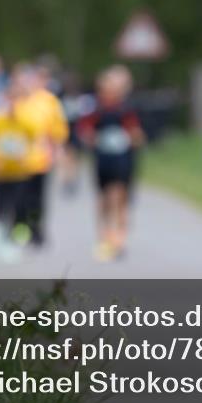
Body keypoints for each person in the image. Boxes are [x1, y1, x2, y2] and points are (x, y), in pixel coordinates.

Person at [77, 65, 144, 262]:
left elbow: (138, 134)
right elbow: (85, 130)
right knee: (104, 199)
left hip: (123, 159)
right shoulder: (95, 108)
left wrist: (132, 137)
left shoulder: (128, 108)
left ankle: (119, 238)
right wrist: (92, 138)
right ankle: (104, 236)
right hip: (102, 159)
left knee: (120, 197)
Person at [0, 75, 37, 251]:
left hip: (20, 171)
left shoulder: (27, 120)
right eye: (10, 98)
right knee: (0, 205)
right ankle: (0, 235)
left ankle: (18, 236)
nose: (12, 103)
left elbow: (34, 142)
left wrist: (27, 156)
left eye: (16, 99)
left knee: (19, 205)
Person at [14, 64, 69, 246]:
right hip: (16, 160)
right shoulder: (17, 100)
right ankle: (20, 229)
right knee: (19, 197)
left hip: (40, 158)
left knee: (37, 198)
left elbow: (57, 130)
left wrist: (58, 151)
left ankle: (37, 228)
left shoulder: (48, 101)